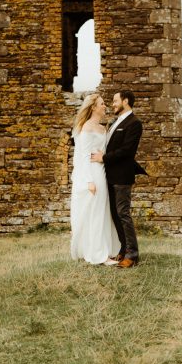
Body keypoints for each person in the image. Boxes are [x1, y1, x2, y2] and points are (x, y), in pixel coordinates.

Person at [91, 89, 143, 269]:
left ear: (126, 101)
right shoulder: (115, 122)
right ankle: (123, 249)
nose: (112, 104)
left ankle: (133, 255)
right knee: (115, 214)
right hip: (110, 176)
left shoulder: (134, 123)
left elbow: (127, 151)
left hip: (122, 176)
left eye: (115, 101)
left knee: (123, 213)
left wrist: (103, 158)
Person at [70, 93, 121, 265]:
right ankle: (98, 254)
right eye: (102, 104)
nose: (105, 106)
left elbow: (103, 152)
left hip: (102, 171)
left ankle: (105, 250)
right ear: (93, 107)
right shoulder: (86, 128)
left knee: (103, 212)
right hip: (92, 174)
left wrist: (104, 156)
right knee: (95, 213)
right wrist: (88, 181)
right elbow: (82, 157)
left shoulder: (102, 128)